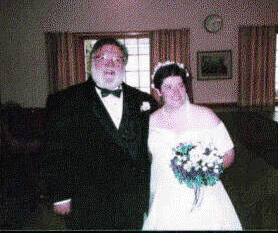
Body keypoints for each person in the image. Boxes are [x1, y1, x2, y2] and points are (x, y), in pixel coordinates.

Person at [40, 38, 157, 230]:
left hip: (132, 199)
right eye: (103, 58)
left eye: (117, 59)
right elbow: (53, 151)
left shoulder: (143, 101)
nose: (111, 64)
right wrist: (60, 195)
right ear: (91, 61)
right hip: (88, 200)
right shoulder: (64, 100)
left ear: (124, 65)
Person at [142, 62, 242, 230]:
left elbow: (229, 153)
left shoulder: (206, 116)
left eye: (180, 85)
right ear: (159, 91)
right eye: (168, 87)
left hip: (204, 194)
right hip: (165, 197)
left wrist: (206, 170)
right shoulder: (150, 122)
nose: (176, 92)